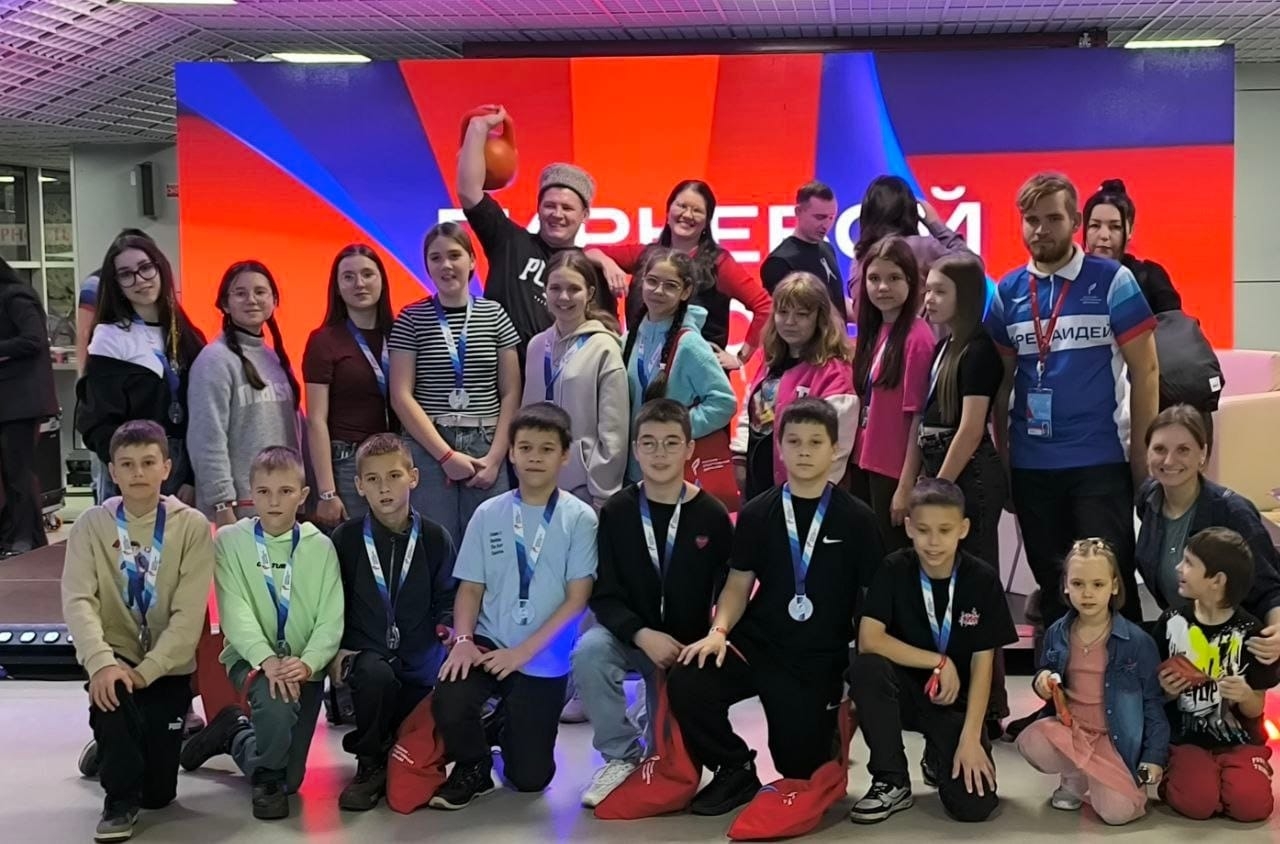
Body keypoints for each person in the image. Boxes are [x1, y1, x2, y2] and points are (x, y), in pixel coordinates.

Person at [669, 399, 883, 816]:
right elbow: (738, 583)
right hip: (760, 643)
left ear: (835, 448)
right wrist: (718, 632)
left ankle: (827, 730)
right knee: (689, 678)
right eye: (794, 441)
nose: (804, 451)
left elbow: (873, 596)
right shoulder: (758, 512)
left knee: (799, 768)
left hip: (818, 655)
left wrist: (859, 664)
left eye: (815, 442)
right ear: (780, 448)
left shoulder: (857, 519)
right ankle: (734, 768)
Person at [987, 172, 1159, 628]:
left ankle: (1125, 677)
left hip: (1099, 463)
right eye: (1031, 220)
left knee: (1109, 592)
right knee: (1055, 592)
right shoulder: (1006, 292)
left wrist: (1142, 460)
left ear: (1075, 222)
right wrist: (1005, 462)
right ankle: (1059, 676)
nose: (1040, 230)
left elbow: (1146, 372)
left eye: (1052, 219)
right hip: (1032, 467)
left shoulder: (1114, 281)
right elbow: (1001, 387)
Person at [429, 403, 597, 809]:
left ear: (565, 455)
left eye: (546, 448)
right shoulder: (489, 513)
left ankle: (503, 724)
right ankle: (473, 767)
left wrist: (522, 653)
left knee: (529, 778)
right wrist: (464, 640)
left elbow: (577, 600)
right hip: (488, 641)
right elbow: (470, 587)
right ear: (511, 453)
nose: (534, 457)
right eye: (525, 448)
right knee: (450, 696)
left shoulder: (580, 518)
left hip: (543, 653)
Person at [572, 399, 733, 807]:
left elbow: (731, 587)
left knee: (670, 759)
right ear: (636, 449)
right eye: (649, 443)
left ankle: (653, 719)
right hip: (630, 638)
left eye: (671, 443)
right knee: (589, 651)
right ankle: (620, 754)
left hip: (685, 649)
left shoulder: (712, 514)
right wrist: (641, 634)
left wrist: (712, 636)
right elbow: (604, 593)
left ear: (689, 449)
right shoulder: (618, 511)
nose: (660, 453)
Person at [60, 420, 214, 842]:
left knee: (159, 795)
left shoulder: (192, 527)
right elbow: (78, 601)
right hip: (115, 657)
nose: (138, 472)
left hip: (167, 664)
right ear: (112, 471)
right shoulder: (91, 525)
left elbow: (187, 617)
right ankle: (118, 801)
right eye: (127, 464)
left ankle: (111, 749)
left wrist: (147, 671)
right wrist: (101, 662)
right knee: (113, 693)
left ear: (167, 467)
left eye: (148, 462)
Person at [179, 446, 343, 820]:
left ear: (303, 495)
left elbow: (331, 619)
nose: (274, 501)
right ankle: (266, 776)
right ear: (251, 493)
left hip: (306, 666)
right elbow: (234, 612)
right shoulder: (230, 541)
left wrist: (308, 663)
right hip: (251, 660)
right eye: (264, 492)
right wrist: (266, 659)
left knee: (292, 780)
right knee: (275, 703)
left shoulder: (320, 547)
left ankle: (233, 734)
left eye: (285, 491)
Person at [849, 478, 1017, 824]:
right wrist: (939, 661)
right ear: (909, 527)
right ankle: (891, 780)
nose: (934, 541)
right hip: (905, 694)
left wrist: (971, 737)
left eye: (945, 530)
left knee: (974, 807)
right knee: (866, 667)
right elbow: (869, 639)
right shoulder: (894, 568)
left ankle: (939, 756)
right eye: (924, 530)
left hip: (954, 702)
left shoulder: (981, 579)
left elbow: (983, 664)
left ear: (963, 529)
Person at [328, 433, 457, 811]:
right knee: (373, 674)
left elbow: (448, 596)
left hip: (420, 668)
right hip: (367, 661)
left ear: (413, 477)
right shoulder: (346, 539)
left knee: (413, 745)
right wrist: (337, 651)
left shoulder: (434, 538)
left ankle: (402, 755)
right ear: (359, 486)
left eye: (394, 476)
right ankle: (369, 762)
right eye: (373, 479)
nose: (384, 488)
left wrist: (448, 626)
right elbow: (333, 604)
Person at [389, 222, 521, 548]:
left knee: (492, 546)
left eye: (454, 255)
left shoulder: (495, 315)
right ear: (427, 265)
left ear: (472, 260)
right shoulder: (411, 318)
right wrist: (446, 455)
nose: (446, 265)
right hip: (429, 447)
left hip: (486, 445)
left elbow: (511, 392)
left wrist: (495, 459)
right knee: (436, 547)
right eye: (436, 258)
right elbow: (400, 396)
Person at [1017, 538, 1168, 825]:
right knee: (1032, 742)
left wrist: (1154, 756)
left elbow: (1153, 704)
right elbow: (1047, 671)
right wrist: (1042, 680)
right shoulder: (1057, 633)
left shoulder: (1137, 642)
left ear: (1114, 586)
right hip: (1072, 731)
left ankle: (1102, 776)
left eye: (1098, 584)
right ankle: (1075, 775)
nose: (1087, 593)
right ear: (1065, 586)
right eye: (1078, 584)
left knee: (1117, 813)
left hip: (1114, 740)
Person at [457, 106, 615, 366]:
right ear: (538, 208)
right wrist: (477, 128)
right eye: (549, 205)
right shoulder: (509, 241)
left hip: (564, 383)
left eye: (567, 208)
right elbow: (469, 192)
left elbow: (605, 338)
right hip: (499, 380)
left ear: (585, 215)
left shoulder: (593, 271)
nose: (557, 214)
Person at [1154, 527, 1279, 822]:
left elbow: (1256, 708)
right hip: (1186, 739)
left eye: (1188, 563)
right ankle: (1194, 776)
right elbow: (1153, 696)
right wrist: (1167, 691)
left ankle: (1237, 773)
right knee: (1197, 804)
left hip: (1240, 740)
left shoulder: (1251, 632)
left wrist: (1245, 695)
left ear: (1217, 580)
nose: (1178, 568)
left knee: (1251, 807)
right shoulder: (1171, 622)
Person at [1083, 180, 1223, 444]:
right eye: (1095, 225)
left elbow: (1176, 342)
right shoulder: (1070, 283)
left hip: (1146, 396)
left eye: (1114, 227)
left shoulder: (1148, 276)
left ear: (1129, 230)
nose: (1104, 235)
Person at [76, 235, 206, 504]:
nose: (139, 280)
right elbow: (96, 423)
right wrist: (132, 467)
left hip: (184, 471)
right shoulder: (109, 340)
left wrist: (192, 478)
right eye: (126, 274)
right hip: (133, 474)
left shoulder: (187, 334)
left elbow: (203, 414)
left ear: (160, 267)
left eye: (145, 268)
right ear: (116, 284)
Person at [586, 179, 773, 366]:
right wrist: (606, 263)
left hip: (697, 373)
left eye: (697, 210)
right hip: (640, 368)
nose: (687, 215)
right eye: (682, 206)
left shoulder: (719, 264)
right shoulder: (644, 255)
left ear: (707, 221)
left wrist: (740, 358)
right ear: (668, 211)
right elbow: (587, 252)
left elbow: (765, 306)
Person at [187, 261, 303, 526]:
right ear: (225, 304)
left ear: (274, 300)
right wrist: (222, 503)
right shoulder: (215, 360)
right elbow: (207, 437)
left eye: (260, 292)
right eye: (240, 293)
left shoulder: (274, 359)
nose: (251, 299)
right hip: (239, 511)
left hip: (281, 505)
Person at [913, 252, 1006, 570]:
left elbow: (970, 429)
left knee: (976, 567)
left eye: (940, 291)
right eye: (928, 290)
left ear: (965, 296)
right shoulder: (944, 347)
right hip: (944, 467)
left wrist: (939, 487)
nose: (929, 299)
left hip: (971, 474)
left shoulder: (978, 350)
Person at [732, 271, 855, 500]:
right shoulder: (771, 359)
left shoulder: (834, 372)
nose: (790, 322)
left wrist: (813, 494)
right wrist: (739, 456)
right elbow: (752, 412)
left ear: (820, 318)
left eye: (802, 314)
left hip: (807, 494)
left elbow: (838, 447)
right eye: (783, 312)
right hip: (759, 486)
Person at [521, 249, 629, 509]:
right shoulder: (537, 346)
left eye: (574, 289)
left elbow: (614, 430)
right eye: (555, 288)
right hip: (537, 481)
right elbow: (525, 416)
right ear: (545, 291)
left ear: (589, 294)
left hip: (585, 488)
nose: (564, 297)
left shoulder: (604, 347)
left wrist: (603, 491)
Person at [850, 236, 936, 552]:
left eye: (894, 278)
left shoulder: (917, 337)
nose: (882, 287)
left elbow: (917, 418)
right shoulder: (873, 332)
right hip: (864, 462)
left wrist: (906, 484)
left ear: (912, 282)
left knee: (894, 559)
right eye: (874, 278)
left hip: (893, 469)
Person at [303, 244, 399, 528]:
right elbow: (316, 420)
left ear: (382, 280)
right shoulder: (324, 341)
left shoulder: (400, 334)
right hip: (348, 465)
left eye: (367, 274)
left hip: (395, 462)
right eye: (348, 277)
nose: (359, 283)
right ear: (337, 287)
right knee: (358, 546)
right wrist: (327, 492)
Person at [621, 248, 736, 482]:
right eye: (652, 281)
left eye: (670, 285)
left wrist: (675, 431)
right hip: (634, 470)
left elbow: (724, 402)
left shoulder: (690, 345)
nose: (658, 291)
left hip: (674, 472)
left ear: (686, 292)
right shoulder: (630, 338)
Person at [0, 256, 58, 557]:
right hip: (10, 401)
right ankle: (19, 535)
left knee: (18, 470)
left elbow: (33, 339)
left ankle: (24, 537)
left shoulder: (15, 296)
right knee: (11, 472)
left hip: (21, 401)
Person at [853, 175, 970, 282]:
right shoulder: (923, 247)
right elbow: (970, 265)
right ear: (911, 211)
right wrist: (935, 225)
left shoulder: (860, 256)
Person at [760, 181, 847, 319]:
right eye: (819, 217)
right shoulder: (780, 262)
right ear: (798, 212)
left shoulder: (827, 249)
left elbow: (838, 301)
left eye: (831, 217)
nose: (826, 225)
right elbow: (785, 318)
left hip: (836, 333)